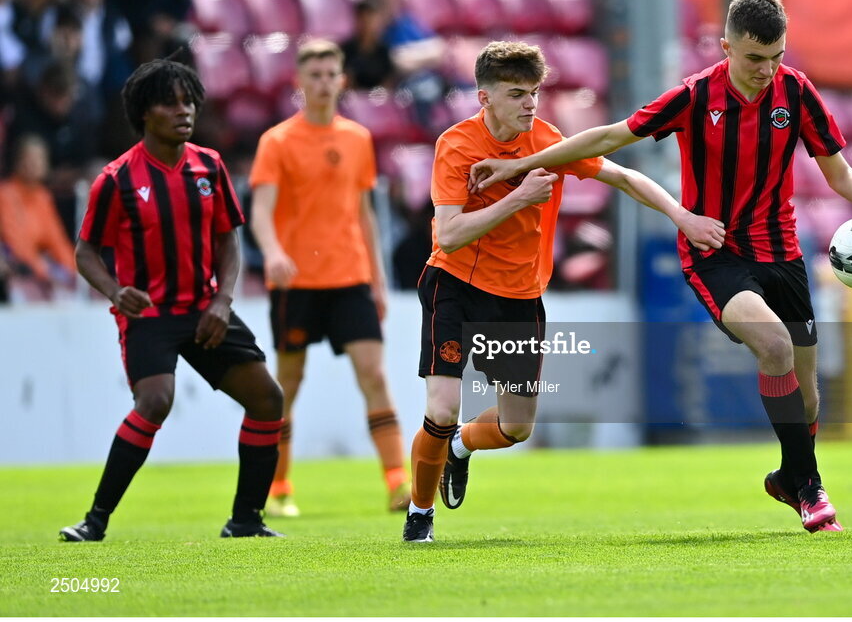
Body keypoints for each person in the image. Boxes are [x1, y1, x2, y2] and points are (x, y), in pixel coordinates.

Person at [469, 0, 852, 533]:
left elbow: (836, 170)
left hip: (783, 250)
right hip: (714, 249)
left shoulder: (796, 91)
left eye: (776, 57)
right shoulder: (696, 96)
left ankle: (790, 477)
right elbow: (610, 136)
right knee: (773, 346)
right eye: (753, 59)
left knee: (809, 390)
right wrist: (526, 164)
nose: (767, 70)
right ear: (726, 47)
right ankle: (812, 491)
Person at [402, 40, 724, 543]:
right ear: (484, 98)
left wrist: (681, 215)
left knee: (516, 428)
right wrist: (521, 198)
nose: (529, 103)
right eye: (516, 93)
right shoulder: (457, 145)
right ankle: (419, 515)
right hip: (455, 285)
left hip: (520, 298)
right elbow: (448, 234)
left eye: (533, 92)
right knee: (441, 408)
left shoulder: (548, 141)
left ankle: (460, 448)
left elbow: (623, 175)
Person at [59, 58, 285, 542]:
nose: (184, 111)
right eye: (170, 102)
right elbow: (85, 252)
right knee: (156, 400)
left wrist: (223, 300)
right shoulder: (116, 179)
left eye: (189, 101)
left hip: (206, 311)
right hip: (150, 316)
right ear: (145, 113)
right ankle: (94, 520)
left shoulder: (210, 165)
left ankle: (246, 520)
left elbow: (228, 240)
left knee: (268, 399)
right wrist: (116, 291)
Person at [249, 39, 411, 517]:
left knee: (375, 375)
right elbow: (260, 211)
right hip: (295, 281)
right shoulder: (276, 142)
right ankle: (278, 487)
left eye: (330, 74)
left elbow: (364, 214)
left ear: (342, 80)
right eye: (313, 74)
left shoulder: (358, 139)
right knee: (286, 386)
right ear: (299, 81)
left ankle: (398, 484)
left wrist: (378, 279)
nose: (322, 83)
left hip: (350, 278)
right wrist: (274, 252)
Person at [0, 135, 76, 292]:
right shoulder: (5, 195)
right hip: (17, 272)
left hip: (39, 272)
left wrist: (76, 272)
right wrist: (45, 271)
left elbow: (57, 240)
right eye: (28, 158)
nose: (33, 164)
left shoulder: (43, 197)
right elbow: (15, 243)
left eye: (39, 158)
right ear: (17, 162)